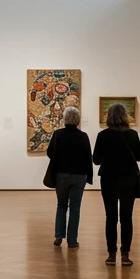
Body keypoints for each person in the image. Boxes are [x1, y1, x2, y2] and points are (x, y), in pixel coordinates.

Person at [93, 103, 140, 266]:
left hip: (108, 179)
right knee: (127, 217)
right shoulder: (133, 135)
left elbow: (96, 160)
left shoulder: (103, 135)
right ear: (125, 116)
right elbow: (139, 156)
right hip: (128, 179)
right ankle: (125, 254)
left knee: (111, 217)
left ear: (108, 116)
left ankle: (111, 254)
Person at [46, 106, 93, 249]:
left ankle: (59, 236)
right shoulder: (83, 136)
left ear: (65, 119)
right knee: (75, 207)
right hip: (79, 176)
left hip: (62, 175)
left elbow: (50, 153)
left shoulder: (58, 134)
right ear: (78, 120)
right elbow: (88, 157)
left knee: (61, 205)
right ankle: (72, 241)